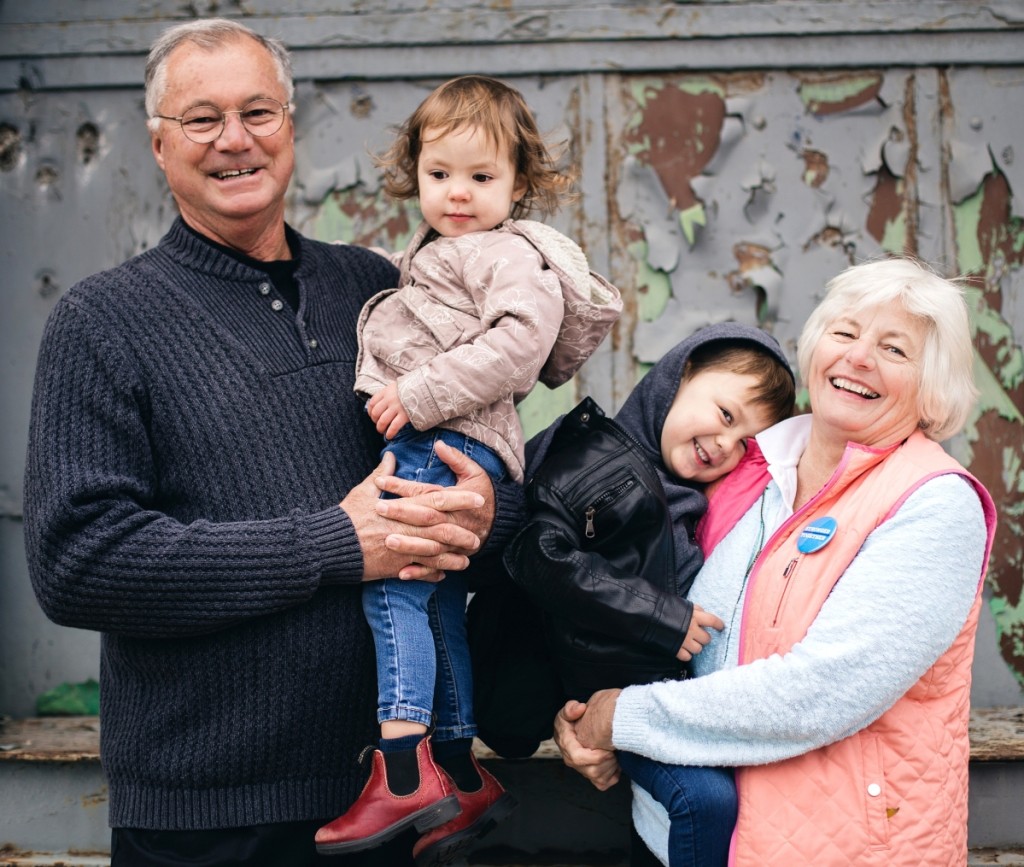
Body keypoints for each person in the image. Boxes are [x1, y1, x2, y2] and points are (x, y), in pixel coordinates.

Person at [23, 19, 526, 867]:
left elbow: (492, 461)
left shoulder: (379, 287)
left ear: (291, 128)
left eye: (259, 112)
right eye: (202, 118)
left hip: (400, 808)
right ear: (157, 143)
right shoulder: (102, 322)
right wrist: (336, 541)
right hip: (210, 819)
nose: (235, 140)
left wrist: (486, 514)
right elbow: (79, 561)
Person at [553, 257, 997, 867]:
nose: (859, 357)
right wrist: (585, 712)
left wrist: (622, 717)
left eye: (894, 349)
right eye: (844, 333)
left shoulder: (934, 504)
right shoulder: (748, 468)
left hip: (833, 847)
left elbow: (824, 690)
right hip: (676, 828)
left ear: (933, 387)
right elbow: (647, 603)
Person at [314, 75, 622, 865]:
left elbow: (522, 338)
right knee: (440, 596)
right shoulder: (443, 251)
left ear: (520, 185)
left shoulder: (507, 252)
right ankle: (458, 765)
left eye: (482, 178)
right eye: (440, 174)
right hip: (457, 440)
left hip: (442, 436)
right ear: (415, 173)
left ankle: (403, 766)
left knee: (391, 583)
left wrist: (417, 392)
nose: (458, 193)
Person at [503, 322, 796, 867]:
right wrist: (660, 616)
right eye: (725, 415)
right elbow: (536, 556)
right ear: (678, 377)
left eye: (745, 443)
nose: (724, 444)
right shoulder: (602, 465)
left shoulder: (676, 491)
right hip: (603, 696)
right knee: (702, 800)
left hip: (654, 701)